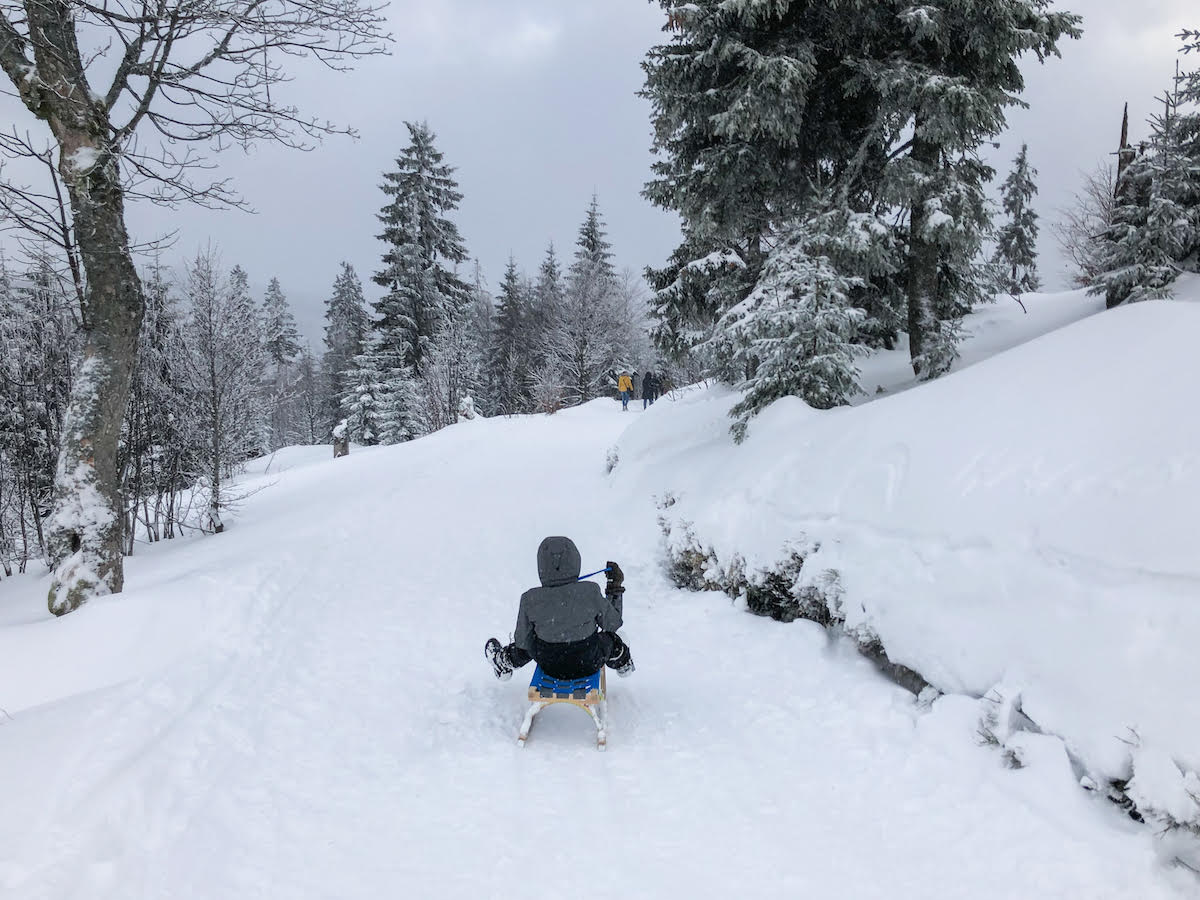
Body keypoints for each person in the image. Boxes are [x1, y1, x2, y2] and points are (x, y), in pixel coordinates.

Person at [485, 536, 635, 681]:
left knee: (528, 644)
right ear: (575, 560)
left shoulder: (530, 599)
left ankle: (503, 662)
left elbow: (522, 640)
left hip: (550, 666)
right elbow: (613, 624)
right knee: (613, 640)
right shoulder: (590, 591)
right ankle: (623, 665)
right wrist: (614, 587)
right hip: (589, 662)